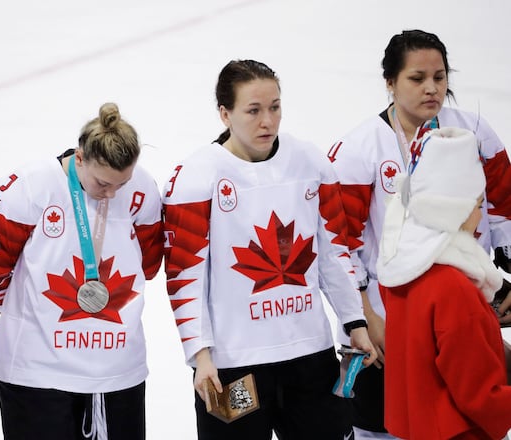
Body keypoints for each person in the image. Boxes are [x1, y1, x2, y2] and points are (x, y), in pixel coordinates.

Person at [161, 59, 376, 439]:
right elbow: (185, 277)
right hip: (235, 369)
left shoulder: (310, 162)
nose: (268, 122)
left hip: (309, 360)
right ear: (224, 114)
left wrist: (354, 323)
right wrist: (201, 356)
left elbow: (332, 252)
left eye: (275, 107)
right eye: (254, 110)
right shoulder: (197, 177)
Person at [326, 29, 511, 438]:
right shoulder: (360, 149)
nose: (432, 88)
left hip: (461, 307)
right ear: (389, 82)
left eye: (440, 77)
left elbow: (503, 207)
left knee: (462, 406)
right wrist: (365, 317)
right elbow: (338, 243)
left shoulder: (474, 132)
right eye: (417, 78)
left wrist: (501, 281)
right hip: (393, 314)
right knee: (384, 422)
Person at [0, 102, 164, 440]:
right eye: (104, 183)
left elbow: (149, 264)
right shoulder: (29, 188)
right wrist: (22, 312)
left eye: (122, 182)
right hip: (37, 374)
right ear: (80, 157)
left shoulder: (142, 189)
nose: (113, 193)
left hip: (115, 373)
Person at [376, 126, 511, 439]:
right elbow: (480, 396)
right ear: (455, 209)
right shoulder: (455, 290)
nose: (480, 217)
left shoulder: (398, 269)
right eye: (478, 205)